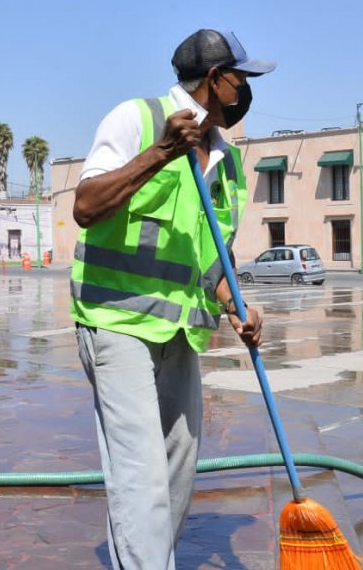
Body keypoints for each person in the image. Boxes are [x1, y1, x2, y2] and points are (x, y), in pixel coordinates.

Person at [70, 28, 271, 568]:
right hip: (115, 323)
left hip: (179, 333)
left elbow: (212, 262)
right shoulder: (136, 120)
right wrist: (161, 151)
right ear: (214, 80)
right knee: (140, 475)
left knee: (178, 468)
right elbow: (86, 206)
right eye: (241, 79)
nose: (246, 91)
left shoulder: (228, 165)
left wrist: (239, 308)